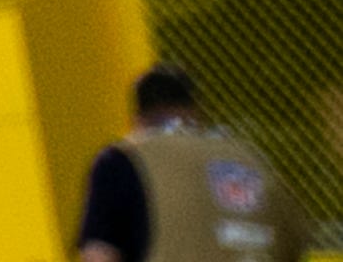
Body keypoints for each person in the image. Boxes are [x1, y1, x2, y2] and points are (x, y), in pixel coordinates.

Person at [73, 66, 316, 262]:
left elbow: (99, 252)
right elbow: (296, 240)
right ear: (197, 110)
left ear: (136, 118)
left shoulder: (121, 159)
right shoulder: (250, 157)